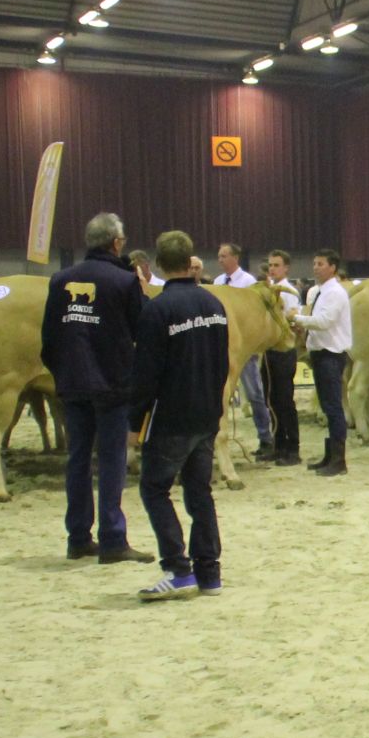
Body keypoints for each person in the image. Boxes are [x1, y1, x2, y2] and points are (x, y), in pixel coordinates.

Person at [41, 213, 152, 564]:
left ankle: (77, 537)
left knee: (76, 459)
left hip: (72, 383)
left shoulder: (60, 279)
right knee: (111, 459)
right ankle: (113, 538)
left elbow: (49, 336)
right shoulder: (123, 282)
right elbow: (142, 330)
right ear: (116, 242)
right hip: (112, 384)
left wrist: (61, 372)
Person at [129, 230, 230, 601]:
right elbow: (223, 364)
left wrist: (132, 423)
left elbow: (145, 375)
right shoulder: (214, 305)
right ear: (191, 262)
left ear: (157, 265)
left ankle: (177, 567)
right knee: (199, 491)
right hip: (206, 414)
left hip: (171, 416)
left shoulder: (156, 310)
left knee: (154, 488)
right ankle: (210, 572)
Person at [288, 248, 352, 476]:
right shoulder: (320, 292)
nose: (315, 267)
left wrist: (296, 318)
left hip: (330, 354)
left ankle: (339, 460)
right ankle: (330, 455)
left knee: (333, 407)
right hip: (321, 353)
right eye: (315, 263)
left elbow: (324, 322)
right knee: (327, 405)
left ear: (333, 267)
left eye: (320, 263)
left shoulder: (334, 292)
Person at [214, 243, 272, 458]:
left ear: (235, 258)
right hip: (223, 348)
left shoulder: (248, 282)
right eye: (219, 256)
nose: (220, 260)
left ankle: (265, 437)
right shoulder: (218, 283)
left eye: (224, 256)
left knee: (255, 393)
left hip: (245, 350)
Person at [262, 250, 302, 467]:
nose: (272, 269)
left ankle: (293, 448)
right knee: (272, 400)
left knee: (285, 400)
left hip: (284, 350)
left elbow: (292, 316)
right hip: (269, 351)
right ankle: (278, 446)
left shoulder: (289, 291)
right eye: (270, 265)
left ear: (286, 268)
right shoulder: (268, 291)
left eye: (276, 265)